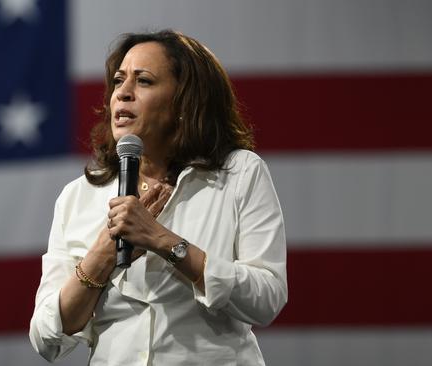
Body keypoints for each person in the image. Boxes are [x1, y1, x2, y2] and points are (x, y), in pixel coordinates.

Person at [29, 30, 287, 365]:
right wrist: (104, 254)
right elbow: (47, 338)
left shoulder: (238, 174)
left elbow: (266, 299)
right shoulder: (78, 197)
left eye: (144, 81)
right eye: (119, 80)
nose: (123, 93)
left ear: (184, 101)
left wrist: (163, 242)